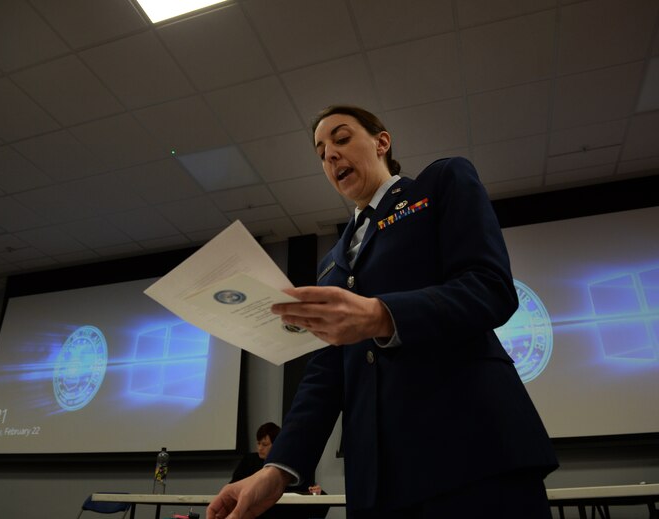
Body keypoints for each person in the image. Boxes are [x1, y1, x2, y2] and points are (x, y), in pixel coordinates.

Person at [207, 105, 559, 519]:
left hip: (473, 454)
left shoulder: (440, 184)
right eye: (321, 153)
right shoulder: (331, 265)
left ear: (382, 142)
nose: (330, 156)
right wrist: (277, 470)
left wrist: (383, 315)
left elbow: (490, 286)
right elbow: (327, 373)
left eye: (340, 139)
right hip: (378, 483)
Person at [229, 422, 327, 519]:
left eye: (264, 444)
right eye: (258, 443)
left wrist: (316, 492)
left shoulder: (291, 463)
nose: (259, 448)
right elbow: (235, 486)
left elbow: (306, 489)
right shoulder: (249, 461)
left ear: (277, 445)